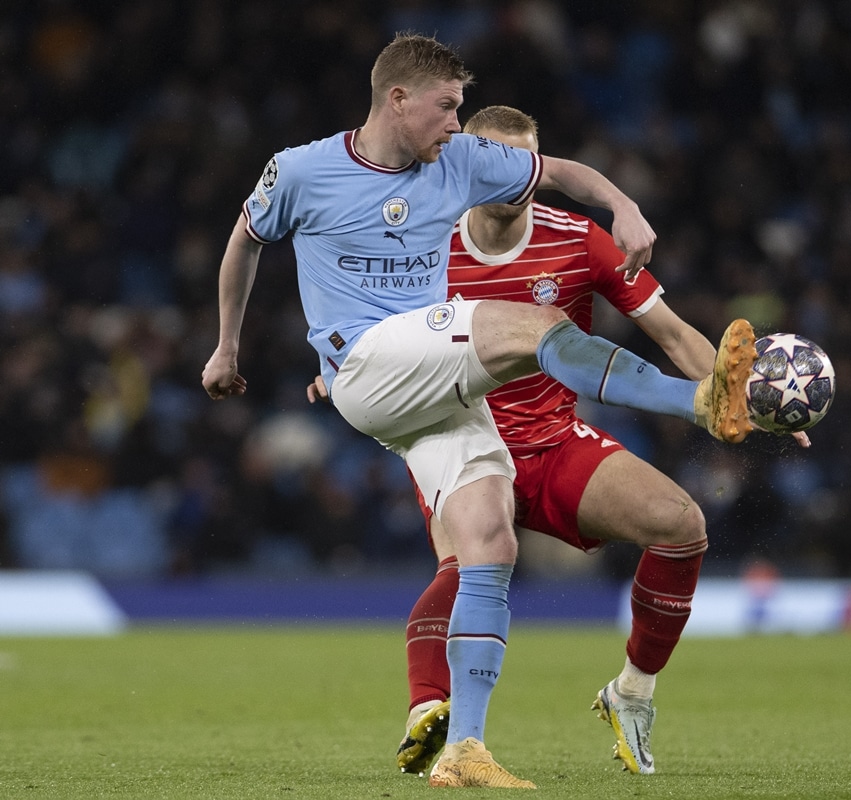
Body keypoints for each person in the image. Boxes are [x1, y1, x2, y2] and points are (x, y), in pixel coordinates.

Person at [202, 33, 765, 789]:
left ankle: (464, 748)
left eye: (462, 109)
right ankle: (696, 402)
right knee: (532, 328)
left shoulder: (463, 163)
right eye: (446, 107)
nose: (455, 123)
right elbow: (245, 240)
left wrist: (624, 204)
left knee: (489, 547)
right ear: (397, 99)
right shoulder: (302, 169)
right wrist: (225, 348)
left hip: (437, 396)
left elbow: (562, 170)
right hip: (364, 365)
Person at [309, 105, 813, 778]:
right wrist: (333, 369)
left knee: (681, 524)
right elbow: (364, 330)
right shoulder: (419, 243)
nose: (510, 181)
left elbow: (673, 334)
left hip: (552, 442)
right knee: (464, 565)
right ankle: (431, 714)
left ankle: (632, 691)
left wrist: (738, 394)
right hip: (456, 433)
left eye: (524, 166)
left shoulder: (578, 240)